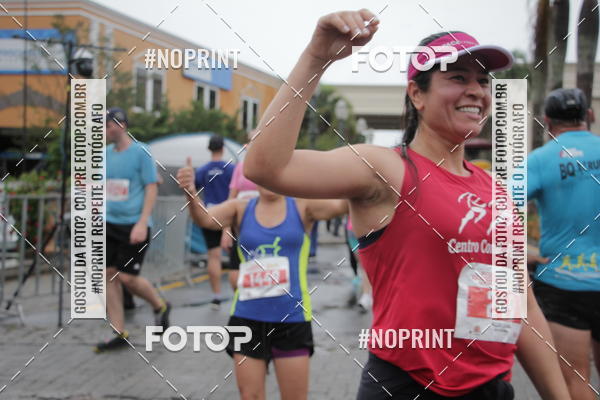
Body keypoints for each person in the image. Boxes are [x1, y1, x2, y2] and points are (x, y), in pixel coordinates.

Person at [243, 10, 571, 399]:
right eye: (458, 78)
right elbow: (265, 166)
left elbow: (522, 306)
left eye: (483, 80)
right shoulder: (387, 169)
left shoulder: (495, 190)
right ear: (417, 94)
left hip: (491, 388)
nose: (476, 90)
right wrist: (316, 57)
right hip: (407, 386)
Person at [177, 157, 347, 400]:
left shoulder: (302, 207)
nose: (268, 178)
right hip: (247, 319)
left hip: (291, 320)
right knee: (251, 397)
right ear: (253, 176)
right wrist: (191, 192)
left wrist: (361, 175)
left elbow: (342, 205)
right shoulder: (239, 208)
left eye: (274, 172)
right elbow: (204, 218)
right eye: (262, 172)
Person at [528, 88, 600, 400]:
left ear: (547, 121)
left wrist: (524, 251)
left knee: (575, 381)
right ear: (589, 116)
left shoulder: (540, 160)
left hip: (563, 282)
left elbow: (497, 208)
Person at [95, 107, 170, 353]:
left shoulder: (141, 151)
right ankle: (119, 332)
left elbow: (151, 187)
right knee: (108, 275)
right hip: (109, 223)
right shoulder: (105, 154)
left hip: (134, 224)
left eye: (107, 125)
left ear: (122, 125)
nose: (104, 130)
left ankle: (159, 305)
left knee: (127, 277)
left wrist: (142, 222)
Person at [194, 135, 235, 309]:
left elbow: (192, 192)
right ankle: (239, 296)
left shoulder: (202, 170)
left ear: (209, 149)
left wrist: (202, 208)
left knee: (214, 256)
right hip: (230, 214)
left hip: (210, 214)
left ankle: (216, 297)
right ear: (223, 149)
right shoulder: (231, 168)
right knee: (236, 257)